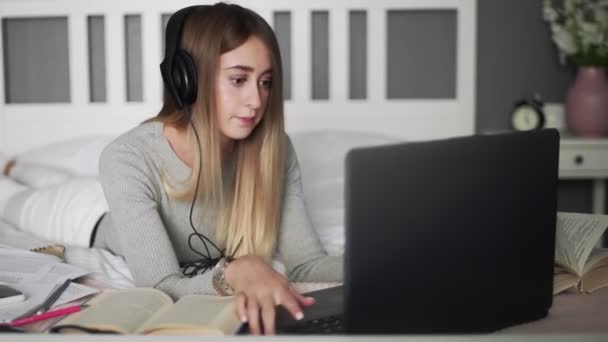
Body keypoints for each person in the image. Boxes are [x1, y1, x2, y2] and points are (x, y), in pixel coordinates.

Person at [91, 3, 343, 335]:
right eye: (239, 79)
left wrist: (396, 262)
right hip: (84, 217)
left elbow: (307, 264)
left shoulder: (275, 150)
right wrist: (233, 273)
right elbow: (160, 285)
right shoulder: (126, 158)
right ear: (187, 81)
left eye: (265, 82)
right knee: (19, 198)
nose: (256, 100)